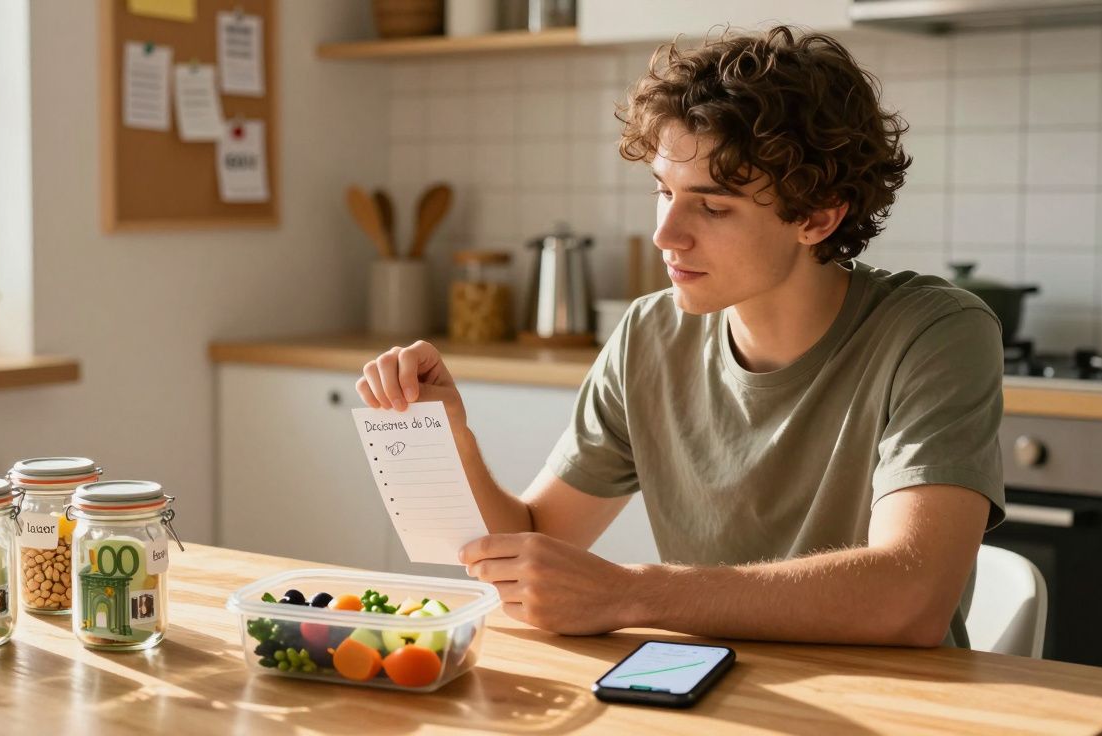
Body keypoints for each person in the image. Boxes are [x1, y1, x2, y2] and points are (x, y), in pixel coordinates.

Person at [356, 25, 1004, 648]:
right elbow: (532, 541)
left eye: (713, 206)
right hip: (706, 688)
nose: (667, 235)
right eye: (663, 191)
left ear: (817, 216)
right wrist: (451, 438)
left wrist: (635, 593)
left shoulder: (934, 333)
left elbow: (911, 599)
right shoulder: (648, 335)